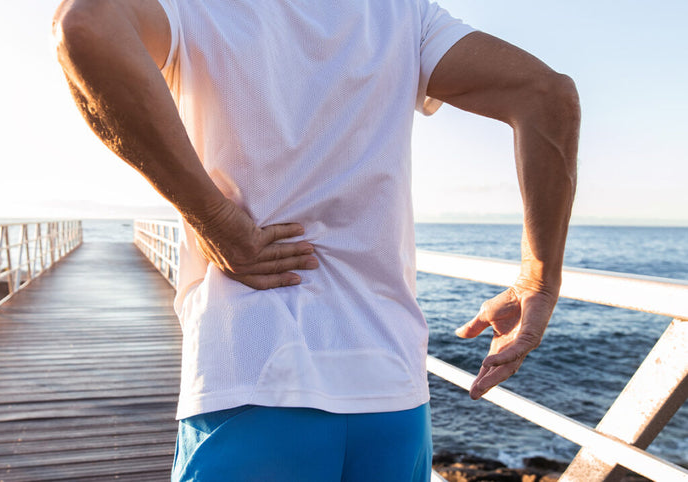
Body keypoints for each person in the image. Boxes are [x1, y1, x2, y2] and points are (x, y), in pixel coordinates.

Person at [52, 0, 580, 480]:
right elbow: (546, 95)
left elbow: (85, 25)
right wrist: (538, 277)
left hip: (253, 373)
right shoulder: (399, 12)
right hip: (389, 386)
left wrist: (212, 218)